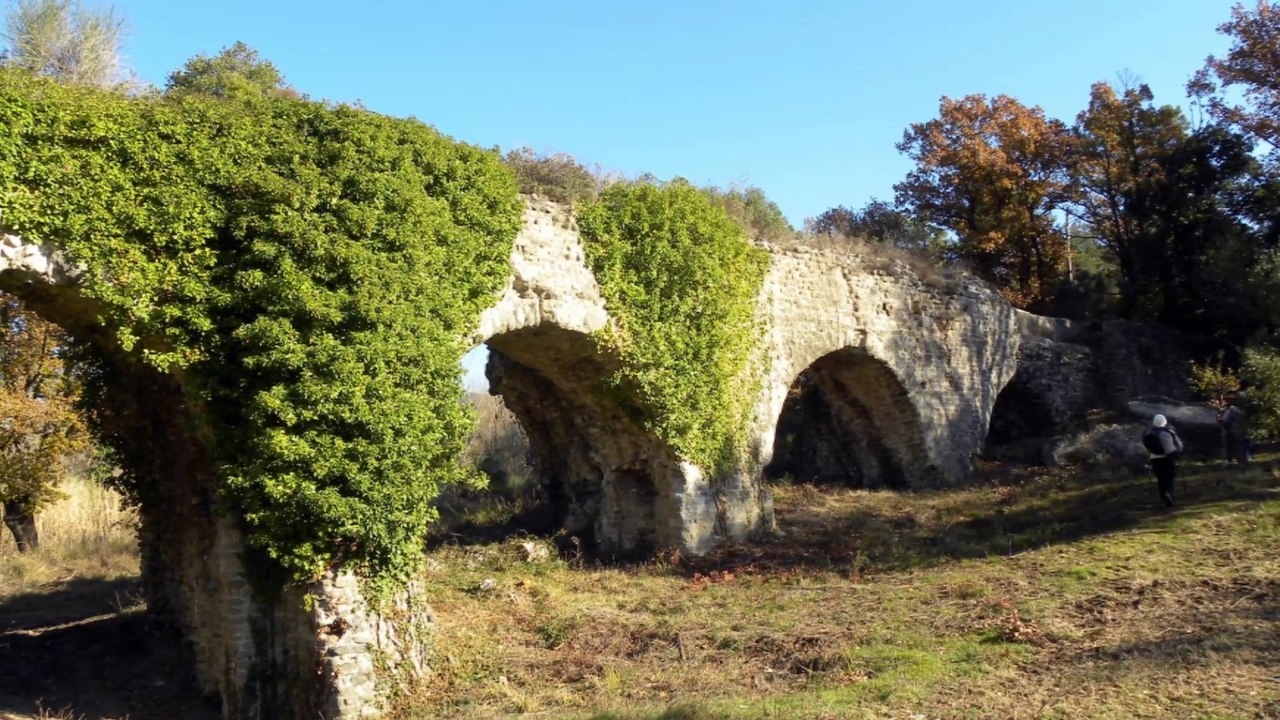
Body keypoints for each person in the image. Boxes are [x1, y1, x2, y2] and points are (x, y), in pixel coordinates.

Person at [1142, 414, 1184, 508]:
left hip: (1155, 458)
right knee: (1170, 477)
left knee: (1160, 478)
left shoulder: (1148, 434)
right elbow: (1178, 445)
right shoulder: (1169, 432)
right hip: (1168, 458)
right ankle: (1169, 493)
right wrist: (1176, 455)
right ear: (1165, 422)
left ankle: (1163, 495)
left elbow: (1146, 445)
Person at [1218, 396, 1248, 466]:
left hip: (1232, 430)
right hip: (1240, 429)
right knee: (1240, 445)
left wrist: (1219, 419)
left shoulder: (1231, 410)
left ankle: (1233, 461)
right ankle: (1242, 461)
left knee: (1231, 446)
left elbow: (1225, 420)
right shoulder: (1240, 410)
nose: (1225, 402)